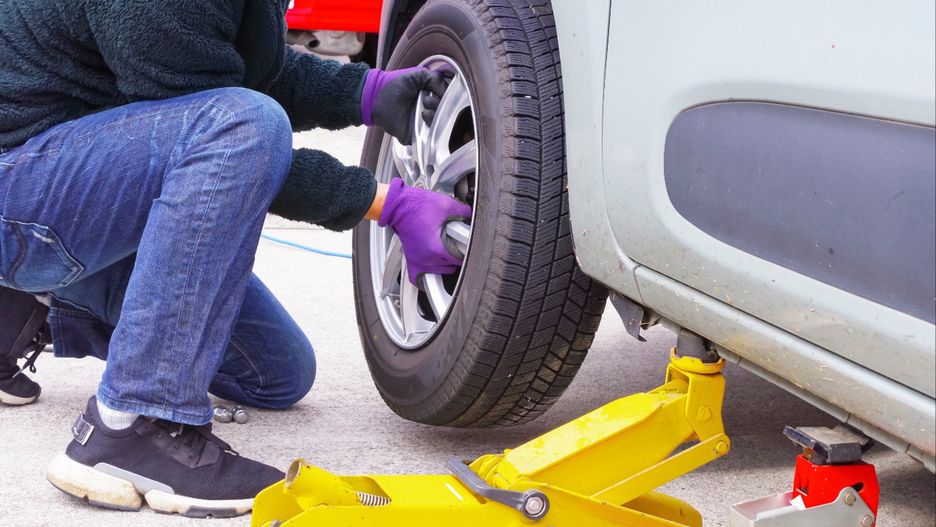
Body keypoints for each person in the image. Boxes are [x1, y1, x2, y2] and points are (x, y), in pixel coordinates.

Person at [0, 0, 471, 517]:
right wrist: (386, 203)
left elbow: (239, 63)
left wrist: (366, 94)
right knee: (243, 125)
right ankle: (134, 422)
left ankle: (35, 300)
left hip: (67, 177)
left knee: (276, 374)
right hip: (20, 191)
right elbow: (224, 138)